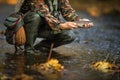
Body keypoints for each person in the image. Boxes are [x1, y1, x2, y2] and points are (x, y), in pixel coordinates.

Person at [18, 0, 93, 54]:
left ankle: (40, 47)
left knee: (70, 36)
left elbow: (68, 12)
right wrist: (61, 25)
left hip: (48, 27)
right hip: (25, 29)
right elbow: (45, 13)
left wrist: (80, 20)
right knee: (35, 16)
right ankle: (29, 49)